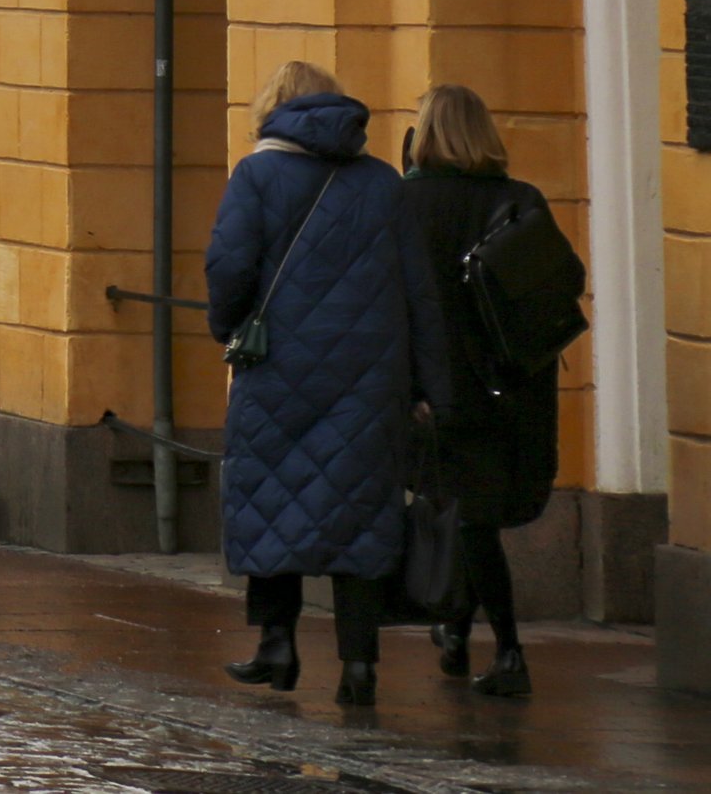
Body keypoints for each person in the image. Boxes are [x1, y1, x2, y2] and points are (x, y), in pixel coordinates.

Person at [206, 59, 449, 706]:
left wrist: (227, 325)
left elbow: (228, 267)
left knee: (270, 500)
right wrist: (430, 385)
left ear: (274, 109)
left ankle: (277, 647)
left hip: (277, 370)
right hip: (369, 380)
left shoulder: (257, 175)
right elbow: (419, 292)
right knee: (362, 516)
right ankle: (360, 667)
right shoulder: (383, 183)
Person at [403, 82, 572, 702]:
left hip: (439, 390)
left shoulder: (405, 205)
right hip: (513, 388)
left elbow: (393, 304)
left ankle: (503, 648)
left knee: (462, 516)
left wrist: (407, 388)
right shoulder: (521, 200)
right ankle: (459, 631)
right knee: (474, 519)